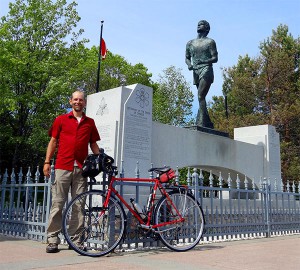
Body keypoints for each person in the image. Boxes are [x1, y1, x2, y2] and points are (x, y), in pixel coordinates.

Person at [43, 90, 101, 253]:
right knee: (58, 204)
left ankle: (75, 240)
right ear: (70, 102)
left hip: (81, 169)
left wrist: (101, 159)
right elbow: (53, 141)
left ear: (85, 103)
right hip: (63, 166)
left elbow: (94, 144)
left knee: (78, 206)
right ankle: (52, 239)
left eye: (81, 100)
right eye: (75, 99)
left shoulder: (90, 122)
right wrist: (47, 161)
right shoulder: (61, 119)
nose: (78, 102)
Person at [185, 20, 218, 129]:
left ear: (207, 28)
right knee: (201, 98)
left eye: (202, 24)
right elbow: (187, 58)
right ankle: (207, 123)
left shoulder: (210, 42)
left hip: (206, 69)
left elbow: (215, 58)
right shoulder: (190, 43)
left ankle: (201, 123)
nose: (199, 25)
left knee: (200, 96)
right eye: (198, 24)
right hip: (196, 71)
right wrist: (189, 65)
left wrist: (204, 61)